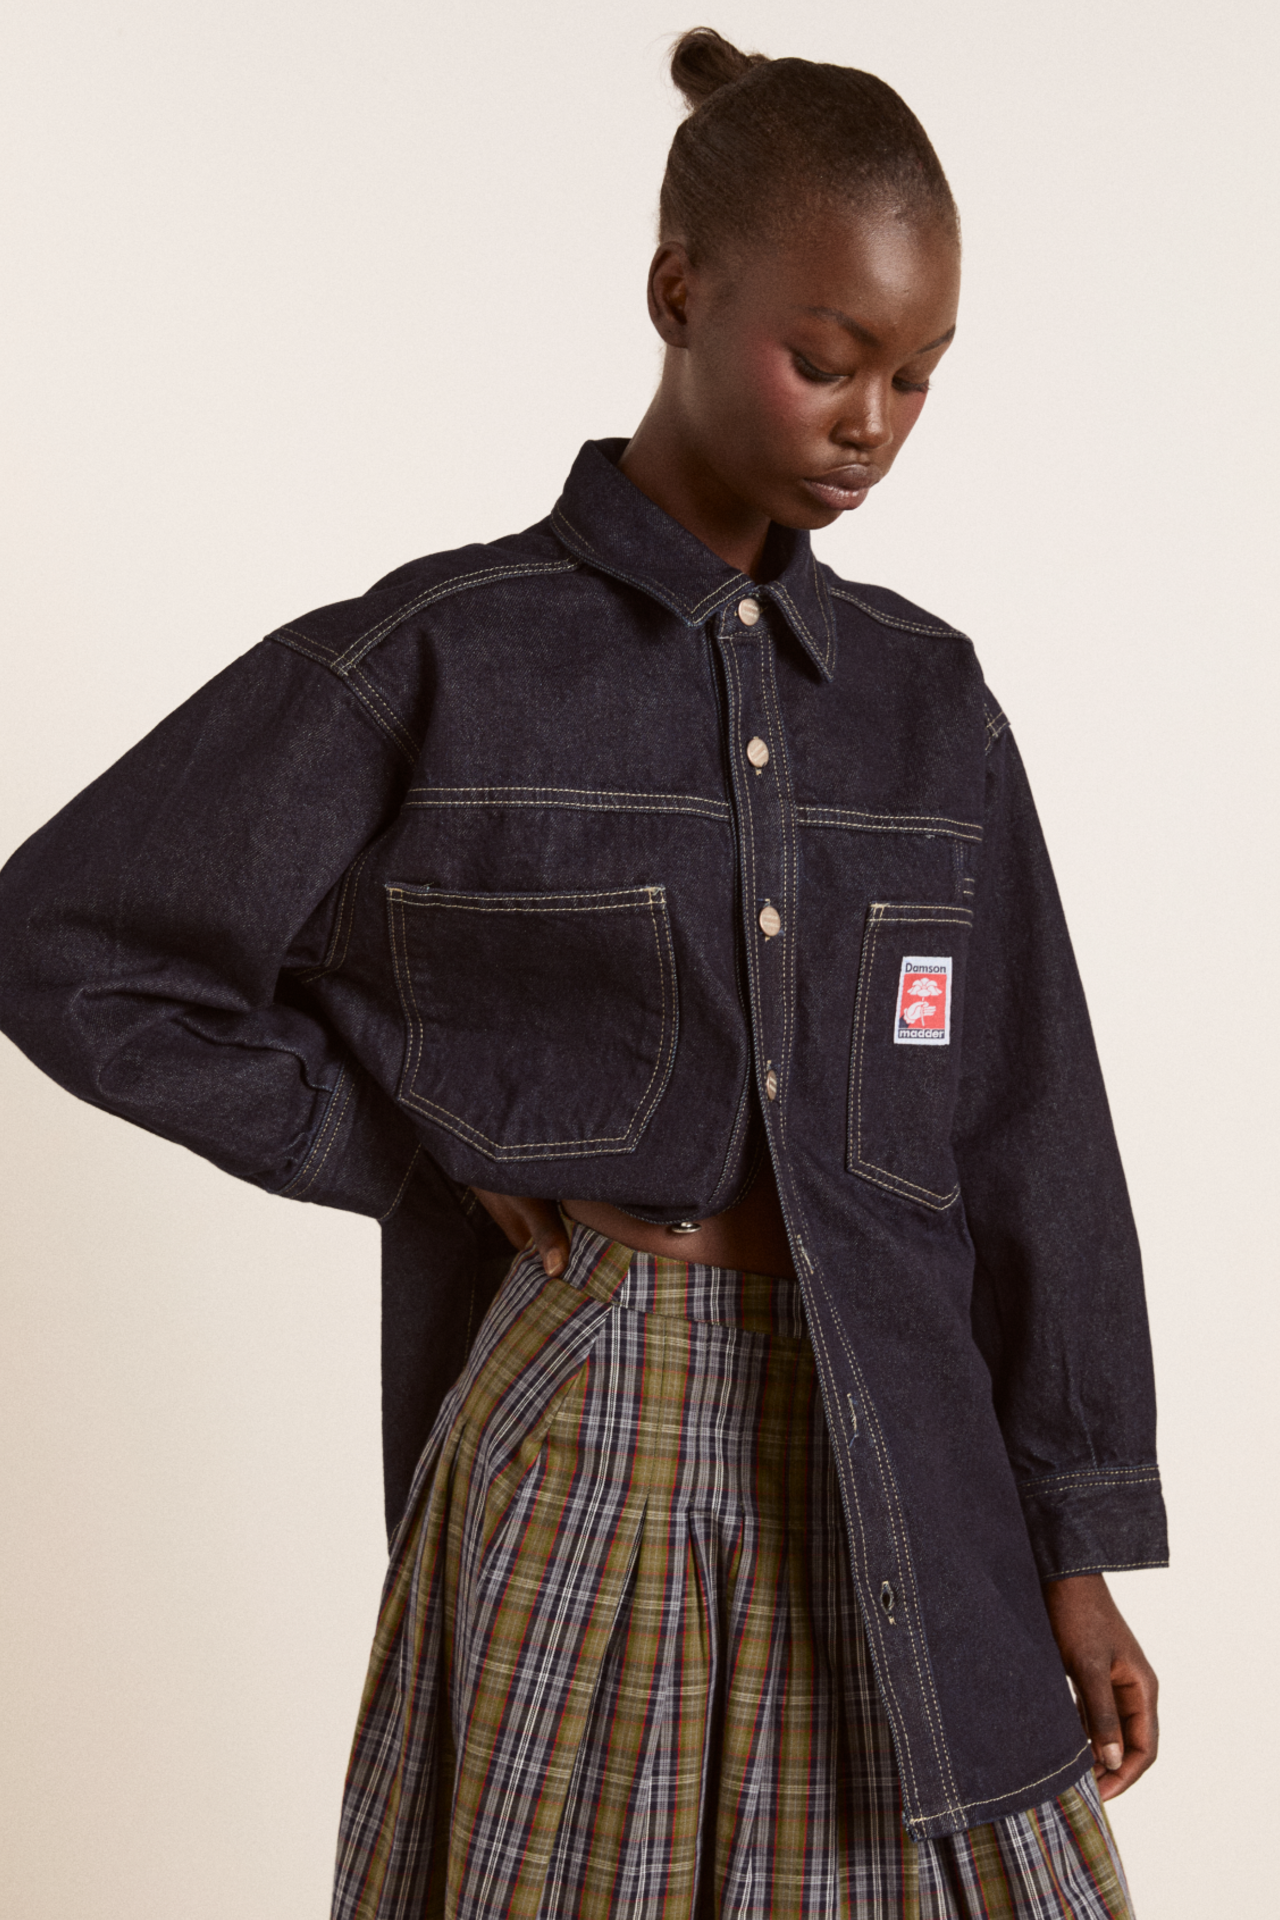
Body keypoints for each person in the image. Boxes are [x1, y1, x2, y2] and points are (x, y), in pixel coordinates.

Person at [0, 27, 1166, 1920]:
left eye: (918, 377)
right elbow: (67, 940)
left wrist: (1075, 1544)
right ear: (678, 292)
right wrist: (404, 1144)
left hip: (908, 1455)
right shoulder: (446, 659)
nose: (872, 421)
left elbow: (1034, 1138)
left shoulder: (929, 707)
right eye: (828, 358)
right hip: (592, 1412)